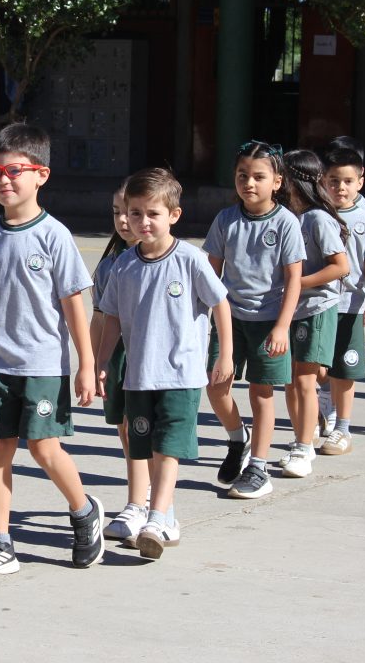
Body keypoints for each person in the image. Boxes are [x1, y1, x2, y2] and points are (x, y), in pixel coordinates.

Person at [0, 122, 104, 579]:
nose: (3, 180)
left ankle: (83, 513)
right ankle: (1, 543)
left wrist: (86, 363)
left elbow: (74, 303)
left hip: (43, 364)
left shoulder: (54, 235)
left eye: (14, 171)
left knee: (43, 447)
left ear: (41, 174)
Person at [95, 168, 232, 558]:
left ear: (174, 214)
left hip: (181, 374)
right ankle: (160, 515)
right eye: (134, 213)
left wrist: (225, 354)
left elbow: (220, 302)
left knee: (167, 446)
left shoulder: (189, 259)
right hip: (138, 375)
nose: (141, 222)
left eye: (152, 214)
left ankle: (157, 515)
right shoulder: (123, 265)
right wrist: (102, 361)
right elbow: (112, 319)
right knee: (145, 445)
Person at [203, 141, 305, 500]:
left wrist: (281, 325)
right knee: (216, 388)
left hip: (268, 322)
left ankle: (259, 467)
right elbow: (211, 275)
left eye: (259, 177)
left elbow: (294, 279)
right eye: (242, 175)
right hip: (228, 320)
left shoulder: (287, 223)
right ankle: (237, 438)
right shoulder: (225, 220)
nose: (249, 183)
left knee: (261, 393)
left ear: (276, 181)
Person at [278, 150, 349, 478]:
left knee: (305, 379)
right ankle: (300, 439)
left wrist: (297, 283)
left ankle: (305, 447)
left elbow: (341, 266)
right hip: (290, 310)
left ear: (296, 180)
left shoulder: (318, 218)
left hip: (316, 308)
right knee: (291, 380)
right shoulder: (286, 217)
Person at [88, 181, 151, 543]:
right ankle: (140, 499)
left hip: (155, 357)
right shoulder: (111, 263)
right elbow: (99, 316)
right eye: (116, 212)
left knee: (145, 429)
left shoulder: (171, 257)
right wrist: (96, 362)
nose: (123, 220)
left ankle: (150, 503)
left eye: (131, 211)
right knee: (127, 429)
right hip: (119, 355)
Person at [319, 146, 365, 456]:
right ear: (323, 180)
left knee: (344, 369)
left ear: (360, 181)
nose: (340, 188)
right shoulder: (317, 213)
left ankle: (342, 428)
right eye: (333, 181)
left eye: (347, 181)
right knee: (318, 365)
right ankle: (325, 401)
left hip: (350, 304)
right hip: (319, 302)